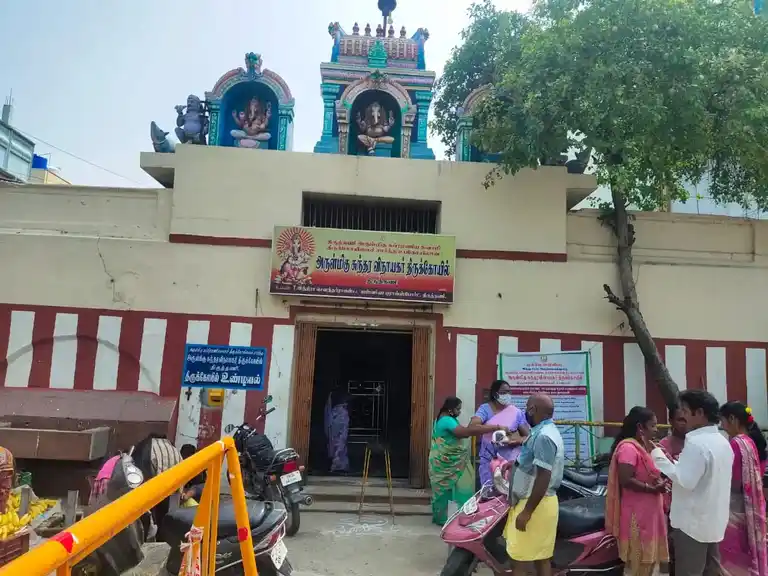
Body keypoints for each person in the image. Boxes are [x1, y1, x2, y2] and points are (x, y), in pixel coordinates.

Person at [651, 389, 734, 576]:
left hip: (692, 525)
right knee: (712, 570)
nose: (683, 416)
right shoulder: (722, 442)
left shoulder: (697, 443)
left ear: (700, 414)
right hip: (713, 521)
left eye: (686, 411)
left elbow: (686, 480)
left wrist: (658, 456)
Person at [503, 394, 564, 576]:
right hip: (539, 502)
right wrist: (515, 464)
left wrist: (527, 512)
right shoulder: (544, 430)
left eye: (527, 407)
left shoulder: (543, 436)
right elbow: (534, 464)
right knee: (540, 556)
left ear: (533, 410)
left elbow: (543, 476)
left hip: (535, 503)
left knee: (519, 559)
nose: (525, 411)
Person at [606, 406, 669, 576]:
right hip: (637, 515)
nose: (656, 430)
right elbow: (626, 480)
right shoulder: (628, 448)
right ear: (641, 427)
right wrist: (652, 488)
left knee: (649, 564)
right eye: (653, 426)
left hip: (650, 513)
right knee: (638, 563)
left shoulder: (645, 446)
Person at [428, 396, 508, 525]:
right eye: (458, 409)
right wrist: (494, 427)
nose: (460, 412)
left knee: (447, 490)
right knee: (460, 488)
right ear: (450, 409)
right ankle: (457, 517)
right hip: (449, 462)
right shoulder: (447, 420)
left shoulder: (441, 419)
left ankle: (444, 517)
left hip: (446, 462)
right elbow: (464, 433)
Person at [718, 401, 768, 576]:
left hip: (736, 506)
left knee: (732, 555)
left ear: (732, 419)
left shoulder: (736, 444)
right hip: (750, 505)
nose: (722, 426)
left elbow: (735, 480)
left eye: (722, 421)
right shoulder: (750, 442)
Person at [470, 379, 530, 488]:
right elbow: (473, 427)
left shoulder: (515, 412)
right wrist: (497, 427)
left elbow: (528, 436)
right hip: (489, 460)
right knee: (489, 494)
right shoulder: (485, 409)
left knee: (508, 495)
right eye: (503, 392)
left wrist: (517, 441)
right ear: (495, 394)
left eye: (509, 392)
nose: (507, 395)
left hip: (510, 462)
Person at [659, 404, 687, 515]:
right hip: (671, 506)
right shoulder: (663, 445)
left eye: (686, 420)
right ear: (671, 421)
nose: (684, 424)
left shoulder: (696, 444)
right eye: (680, 420)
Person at [324, 386, 350, 474]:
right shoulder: (341, 411)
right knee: (338, 448)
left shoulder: (336, 410)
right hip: (338, 434)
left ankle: (338, 466)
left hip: (336, 433)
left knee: (338, 448)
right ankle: (338, 466)